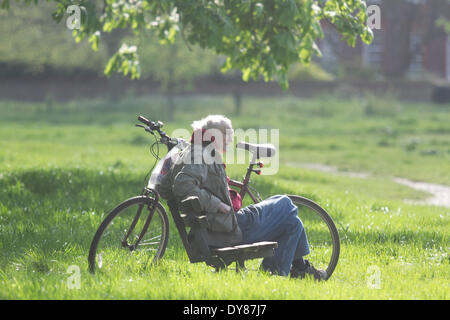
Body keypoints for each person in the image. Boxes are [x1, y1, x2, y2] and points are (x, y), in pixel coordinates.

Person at [169, 115, 326, 280]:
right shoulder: (201, 154)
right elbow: (182, 184)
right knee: (285, 204)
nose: (230, 139)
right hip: (227, 230)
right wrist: (217, 204)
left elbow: (178, 186)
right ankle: (286, 272)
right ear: (214, 135)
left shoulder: (196, 150)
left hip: (219, 225)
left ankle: (279, 275)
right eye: (228, 135)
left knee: (292, 223)